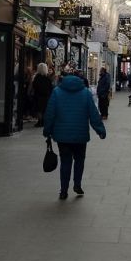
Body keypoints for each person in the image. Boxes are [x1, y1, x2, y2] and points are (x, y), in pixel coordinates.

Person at [43, 66, 106, 199]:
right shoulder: (85, 93)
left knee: (65, 162)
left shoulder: (57, 92)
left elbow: (50, 113)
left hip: (62, 136)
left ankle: (63, 190)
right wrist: (100, 130)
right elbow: (93, 113)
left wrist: (47, 130)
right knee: (79, 160)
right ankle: (77, 184)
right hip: (80, 135)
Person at [32, 62, 53, 127]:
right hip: (46, 96)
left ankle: (40, 121)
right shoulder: (48, 78)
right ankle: (43, 121)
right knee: (44, 109)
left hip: (38, 96)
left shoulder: (37, 77)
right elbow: (51, 87)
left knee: (39, 109)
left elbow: (34, 86)